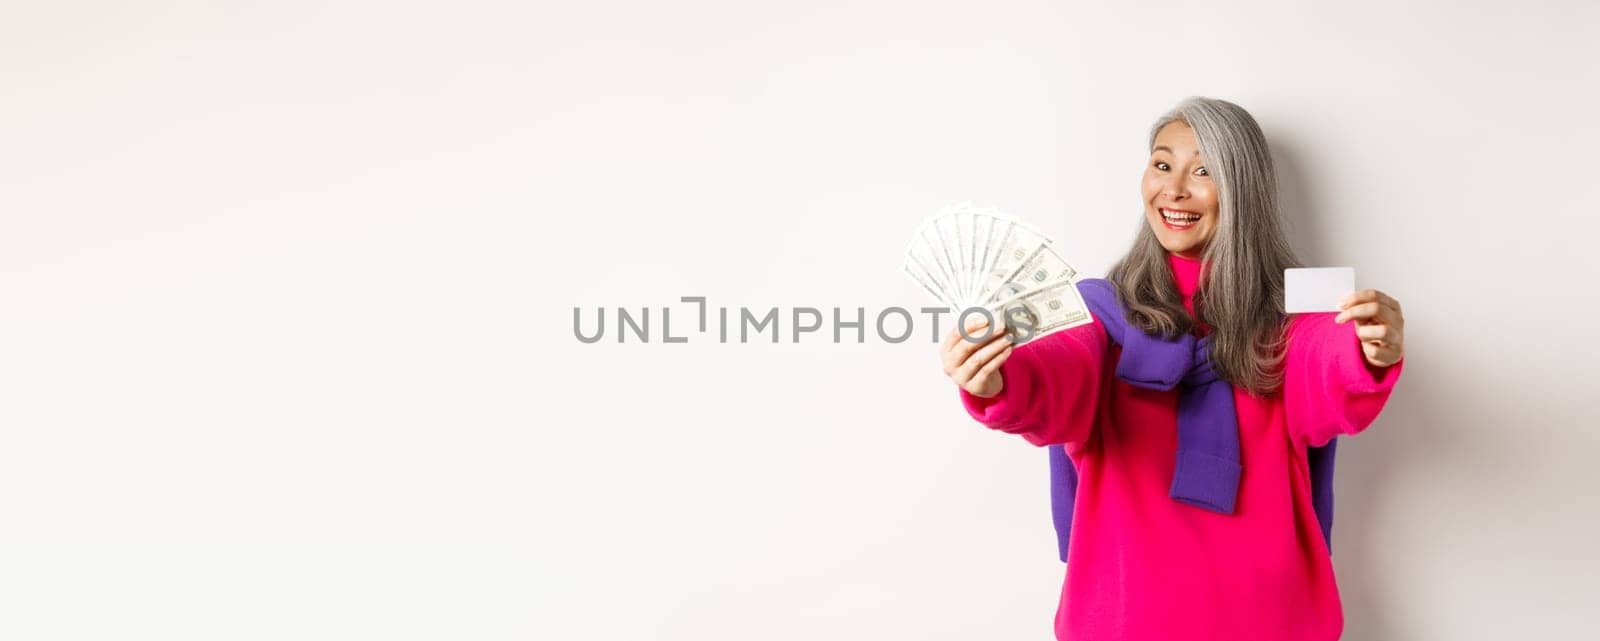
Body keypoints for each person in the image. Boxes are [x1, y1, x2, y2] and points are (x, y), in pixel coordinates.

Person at [937, 96, 1406, 641]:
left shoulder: (1293, 311)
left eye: (1203, 171)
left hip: (1269, 617)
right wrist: (1000, 378)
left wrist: (1368, 350)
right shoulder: (1098, 310)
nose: (1174, 189)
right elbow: (1056, 369)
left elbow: (1325, 359)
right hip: (1126, 614)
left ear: (1241, 190)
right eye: (1162, 164)